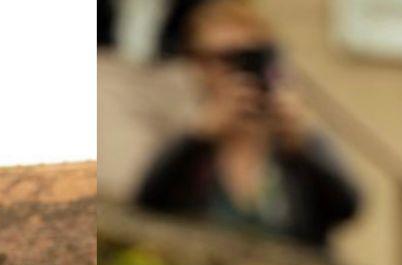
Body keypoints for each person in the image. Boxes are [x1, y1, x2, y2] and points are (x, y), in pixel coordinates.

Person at [135, 0, 358, 248]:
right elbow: (148, 203)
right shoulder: (189, 139)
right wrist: (198, 137)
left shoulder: (289, 139)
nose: (232, 72)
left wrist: (301, 142)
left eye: (247, 58)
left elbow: (347, 208)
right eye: (218, 59)